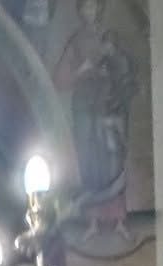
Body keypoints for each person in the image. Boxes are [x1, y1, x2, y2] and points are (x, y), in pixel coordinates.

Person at [55, 0, 138, 228]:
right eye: (85, 7)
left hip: (106, 105)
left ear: (99, 9)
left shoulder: (109, 37)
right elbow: (59, 80)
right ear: (80, 11)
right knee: (89, 159)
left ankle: (117, 218)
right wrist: (81, 71)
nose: (89, 12)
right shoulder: (76, 42)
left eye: (93, 6)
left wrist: (113, 61)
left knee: (112, 157)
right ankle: (92, 219)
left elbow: (125, 68)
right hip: (84, 106)